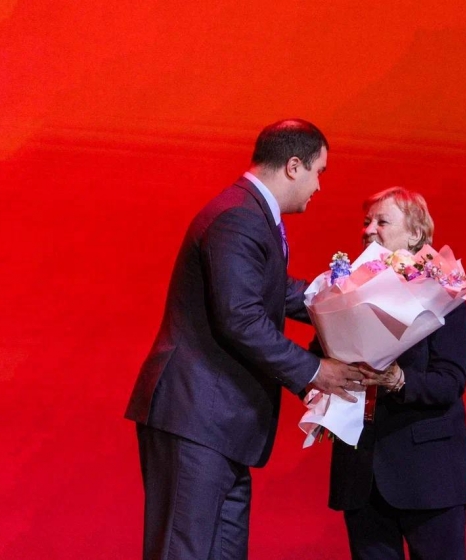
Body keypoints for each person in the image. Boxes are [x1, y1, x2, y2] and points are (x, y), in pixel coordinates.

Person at [124, 119, 364, 560]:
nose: (319, 186)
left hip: (222, 425)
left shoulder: (252, 214)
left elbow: (274, 291)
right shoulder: (238, 216)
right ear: (294, 166)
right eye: (319, 172)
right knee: (184, 551)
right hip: (197, 416)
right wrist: (314, 371)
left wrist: (348, 303)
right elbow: (241, 318)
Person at [326, 187, 466, 560]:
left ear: (415, 234)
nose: (368, 230)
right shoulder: (342, 292)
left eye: (382, 221)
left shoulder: (443, 291)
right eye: (366, 222)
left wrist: (399, 380)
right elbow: (322, 359)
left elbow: (450, 380)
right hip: (361, 475)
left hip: (429, 476)